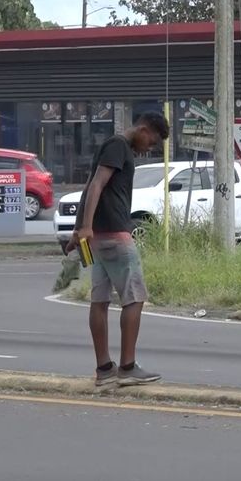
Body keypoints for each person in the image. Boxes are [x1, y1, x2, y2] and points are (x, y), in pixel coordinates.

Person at [65, 111, 170, 387]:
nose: (149, 149)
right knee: (134, 299)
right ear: (145, 129)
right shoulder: (118, 146)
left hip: (98, 237)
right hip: (115, 234)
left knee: (99, 300)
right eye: (152, 142)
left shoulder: (112, 147)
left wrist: (81, 229)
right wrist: (84, 227)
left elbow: (89, 187)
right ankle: (127, 367)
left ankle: (103, 369)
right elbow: (97, 185)